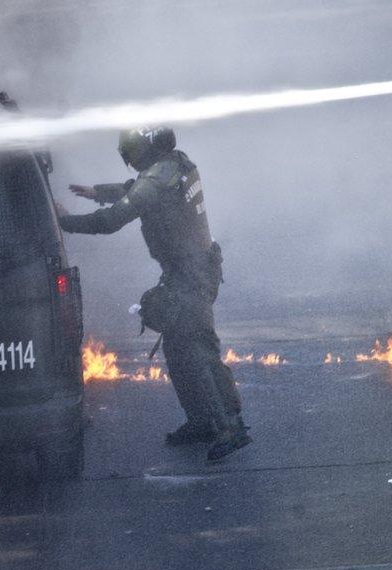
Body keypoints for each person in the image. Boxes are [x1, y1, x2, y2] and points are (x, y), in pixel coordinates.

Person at [57, 127, 250, 460]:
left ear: (140, 151)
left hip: (189, 276)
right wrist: (96, 191)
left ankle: (228, 427)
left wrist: (67, 222)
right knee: (178, 349)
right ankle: (202, 421)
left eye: (129, 155)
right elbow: (136, 190)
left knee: (198, 350)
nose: (129, 162)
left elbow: (113, 219)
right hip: (193, 270)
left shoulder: (157, 179)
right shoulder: (176, 165)